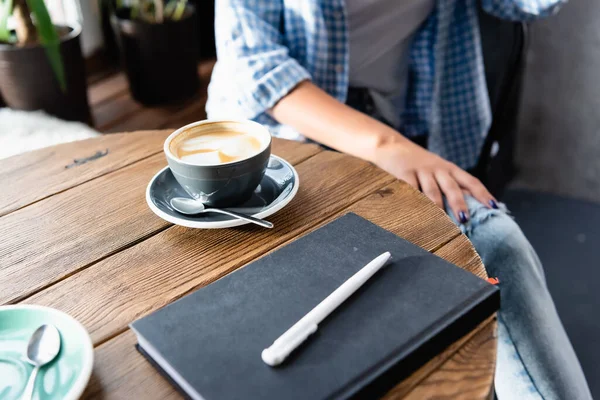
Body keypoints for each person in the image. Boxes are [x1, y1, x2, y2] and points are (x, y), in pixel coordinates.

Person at [206, 1, 593, 398]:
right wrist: (383, 145)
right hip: (279, 145)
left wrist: (395, 145)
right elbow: (255, 63)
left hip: (413, 129)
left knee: (498, 245)